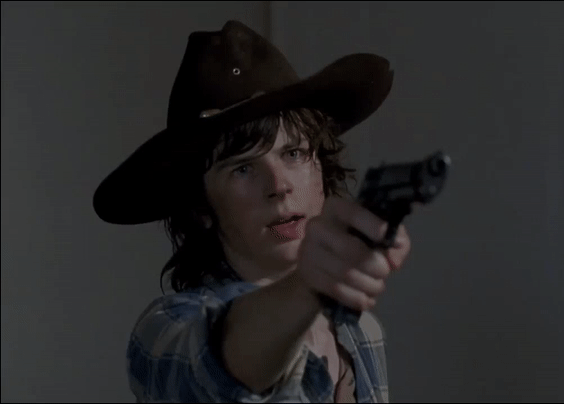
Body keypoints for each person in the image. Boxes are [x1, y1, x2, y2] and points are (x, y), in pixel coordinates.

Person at [92, 20, 411, 403]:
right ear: (200, 207)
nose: (278, 186)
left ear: (321, 171)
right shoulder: (165, 329)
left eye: (294, 153)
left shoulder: (361, 332)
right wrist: (311, 284)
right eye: (243, 168)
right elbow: (215, 368)